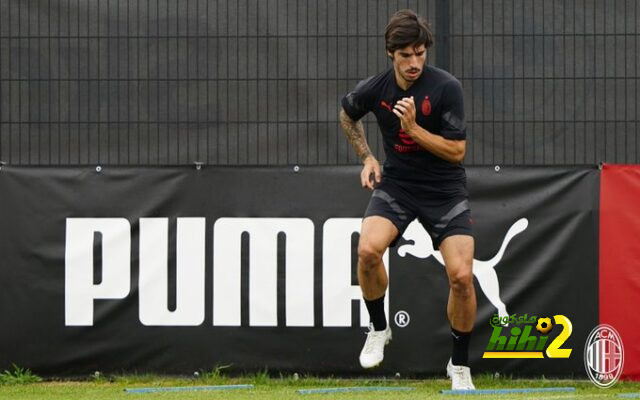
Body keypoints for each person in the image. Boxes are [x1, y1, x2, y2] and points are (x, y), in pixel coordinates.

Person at [339, 9, 476, 390]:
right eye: (406, 55)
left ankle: (459, 365)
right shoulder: (376, 89)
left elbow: (457, 152)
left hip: (445, 190)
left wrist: (413, 129)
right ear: (390, 53)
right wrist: (367, 156)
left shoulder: (446, 87)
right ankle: (379, 328)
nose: (414, 62)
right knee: (367, 251)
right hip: (398, 186)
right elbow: (347, 115)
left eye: (420, 53)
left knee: (462, 277)